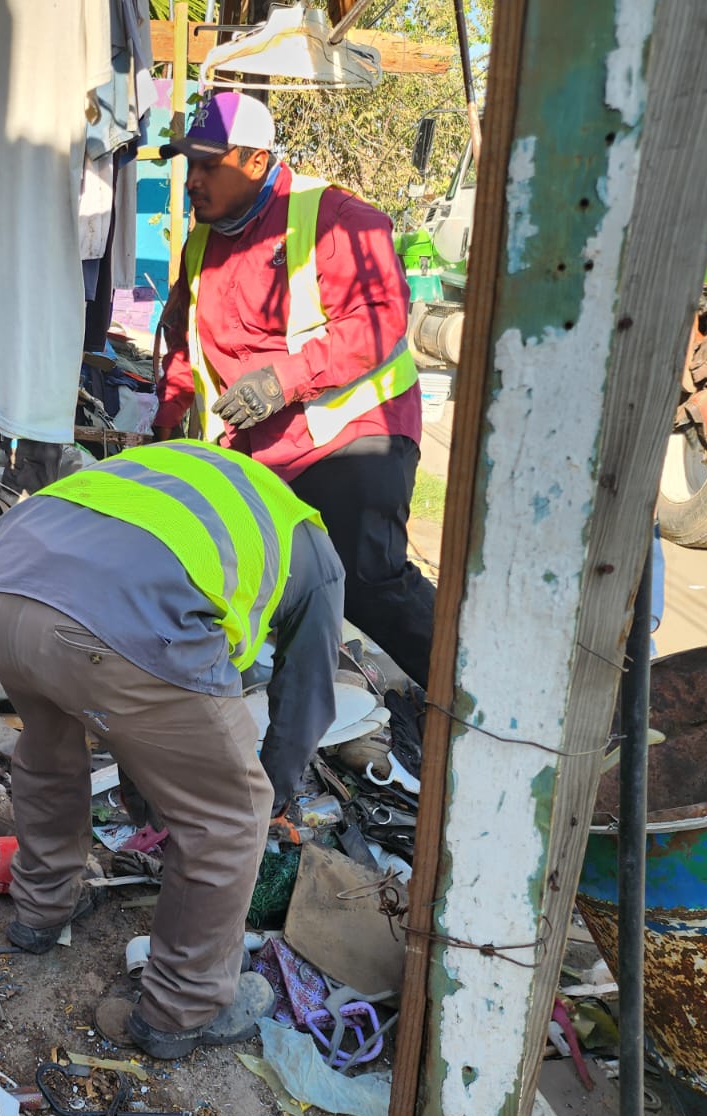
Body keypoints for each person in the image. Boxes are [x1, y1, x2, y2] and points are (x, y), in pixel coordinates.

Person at [0, 439, 344, 1059]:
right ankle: (182, 1009)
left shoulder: (192, 471)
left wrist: (155, 780)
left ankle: (41, 910)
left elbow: (146, 713)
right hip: (111, 625)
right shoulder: (316, 556)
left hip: (1, 588)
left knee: (50, 746)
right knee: (231, 813)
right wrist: (271, 796)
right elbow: (303, 700)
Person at [155, 90, 435, 688]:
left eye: (209, 165)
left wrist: (280, 382)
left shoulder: (337, 218)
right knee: (259, 578)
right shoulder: (203, 239)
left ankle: (476, 700)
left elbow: (380, 319)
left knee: (367, 581)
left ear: (256, 161)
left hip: (352, 430)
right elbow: (185, 343)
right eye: (189, 165)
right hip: (261, 450)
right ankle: (313, 711)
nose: (192, 181)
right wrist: (162, 422)